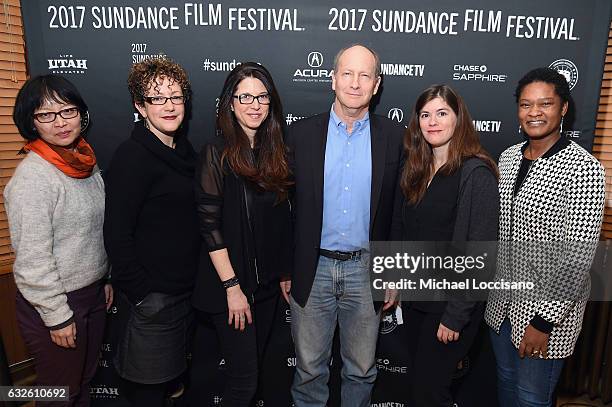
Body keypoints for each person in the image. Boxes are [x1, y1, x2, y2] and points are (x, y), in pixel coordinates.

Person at [283, 44, 403, 407]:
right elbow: (283, 209)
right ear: (332, 79)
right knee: (308, 372)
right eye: (347, 74)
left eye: (365, 75)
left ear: (377, 84)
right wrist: (287, 266)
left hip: (366, 270)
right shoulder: (300, 135)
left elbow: (400, 211)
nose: (355, 82)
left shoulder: (396, 138)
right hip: (312, 268)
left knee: (362, 370)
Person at [485, 67, 605, 407]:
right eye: (525, 104)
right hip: (502, 307)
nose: (534, 112)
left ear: (563, 108)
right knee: (506, 386)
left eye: (545, 103)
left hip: (546, 317)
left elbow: (578, 257)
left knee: (532, 398)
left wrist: (543, 321)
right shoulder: (508, 157)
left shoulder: (583, 168)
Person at [6, 74, 112, 406]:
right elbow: (32, 261)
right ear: (31, 123)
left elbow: (91, 234)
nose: (60, 122)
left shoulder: (85, 162)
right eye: (46, 115)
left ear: (82, 114)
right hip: (55, 304)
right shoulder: (34, 178)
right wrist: (57, 316)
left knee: (81, 383)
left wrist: (104, 278)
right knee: (57, 394)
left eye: (67, 111)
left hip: (90, 295)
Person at [390, 84, 499, 406]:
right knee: (421, 387)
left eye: (441, 113)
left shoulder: (476, 173)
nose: (432, 122)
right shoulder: (417, 168)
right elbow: (403, 231)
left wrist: (455, 315)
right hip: (415, 301)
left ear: (458, 118)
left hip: (449, 307)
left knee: (430, 391)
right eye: (425, 115)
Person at [191, 62, 292, 406]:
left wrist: (283, 273)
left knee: (257, 375)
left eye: (262, 96)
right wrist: (232, 289)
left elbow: (277, 224)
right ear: (230, 103)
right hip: (232, 289)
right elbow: (209, 227)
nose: (254, 104)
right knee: (243, 384)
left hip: (264, 289)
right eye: (244, 96)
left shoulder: (274, 154)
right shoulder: (216, 153)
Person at [103, 57, 200, 406]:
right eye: (157, 98)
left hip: (184, 296)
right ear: (140, 106)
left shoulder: (185, 152)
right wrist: (142, 294)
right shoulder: (132, 157)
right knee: (147, 392)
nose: (170, 106)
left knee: (173, 389)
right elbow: (116, 233)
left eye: (176, 97)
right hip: (153, 300)